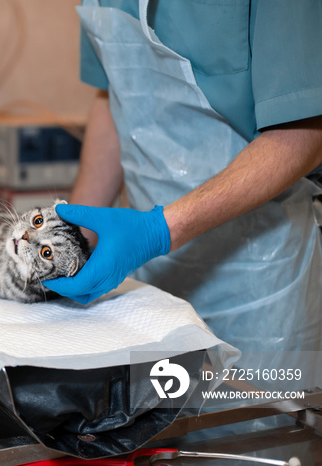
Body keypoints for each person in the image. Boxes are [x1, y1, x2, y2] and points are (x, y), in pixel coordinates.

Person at [43, 0, 322, 362]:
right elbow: (117, 95)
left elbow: (305, 134)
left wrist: (157, 231)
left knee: (252, 414)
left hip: (257, 286)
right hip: (142, 281)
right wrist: (77, 239)